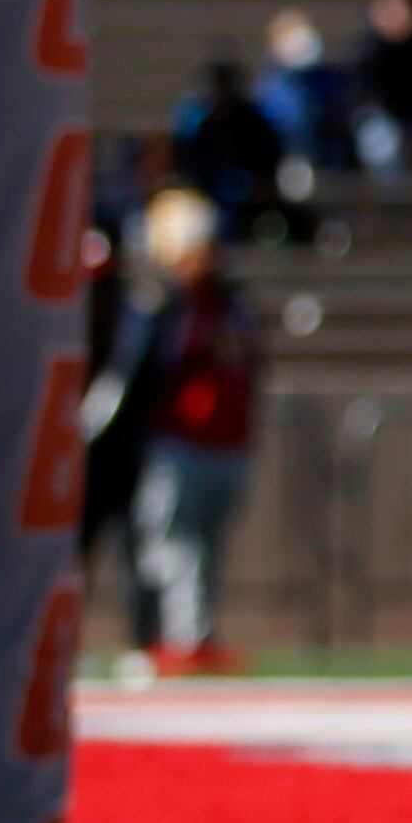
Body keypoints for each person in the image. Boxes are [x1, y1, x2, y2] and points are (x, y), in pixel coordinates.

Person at [84, 189, 263, 675]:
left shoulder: (224, 307)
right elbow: (138, 374)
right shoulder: (170, 308)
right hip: (180, 442)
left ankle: (193, 634)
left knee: (195, 545)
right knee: (173, 545)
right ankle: (182, 635)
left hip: (217, 443)